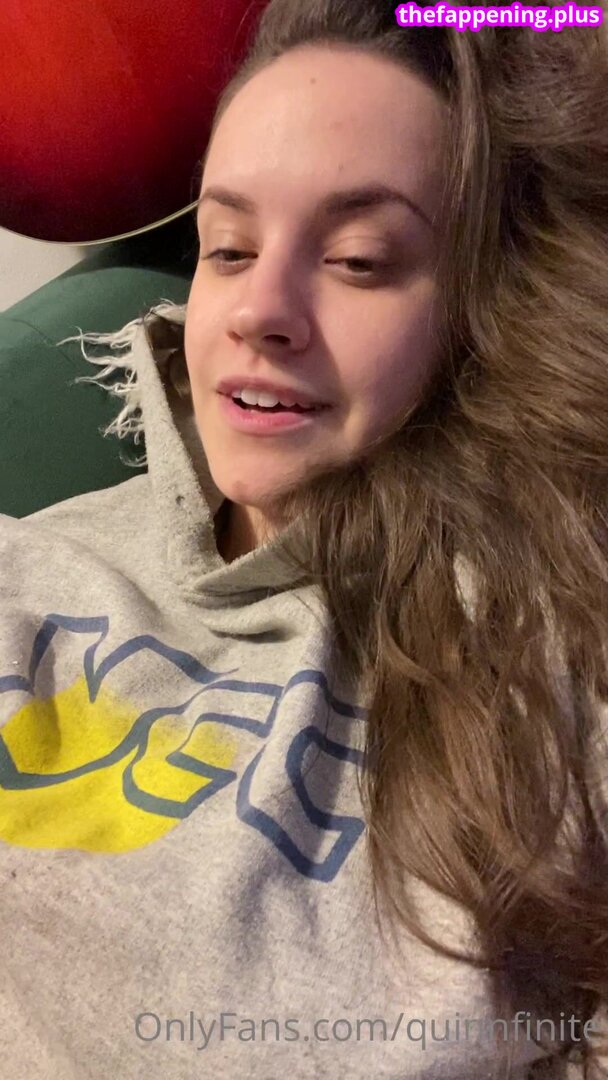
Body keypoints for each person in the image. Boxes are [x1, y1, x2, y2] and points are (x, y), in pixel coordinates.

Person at [1, 0, 607, 1077]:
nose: (258, 309)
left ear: (482, 306)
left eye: (360, 260)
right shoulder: (31, 568)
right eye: (228, 248)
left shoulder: (550, 642)